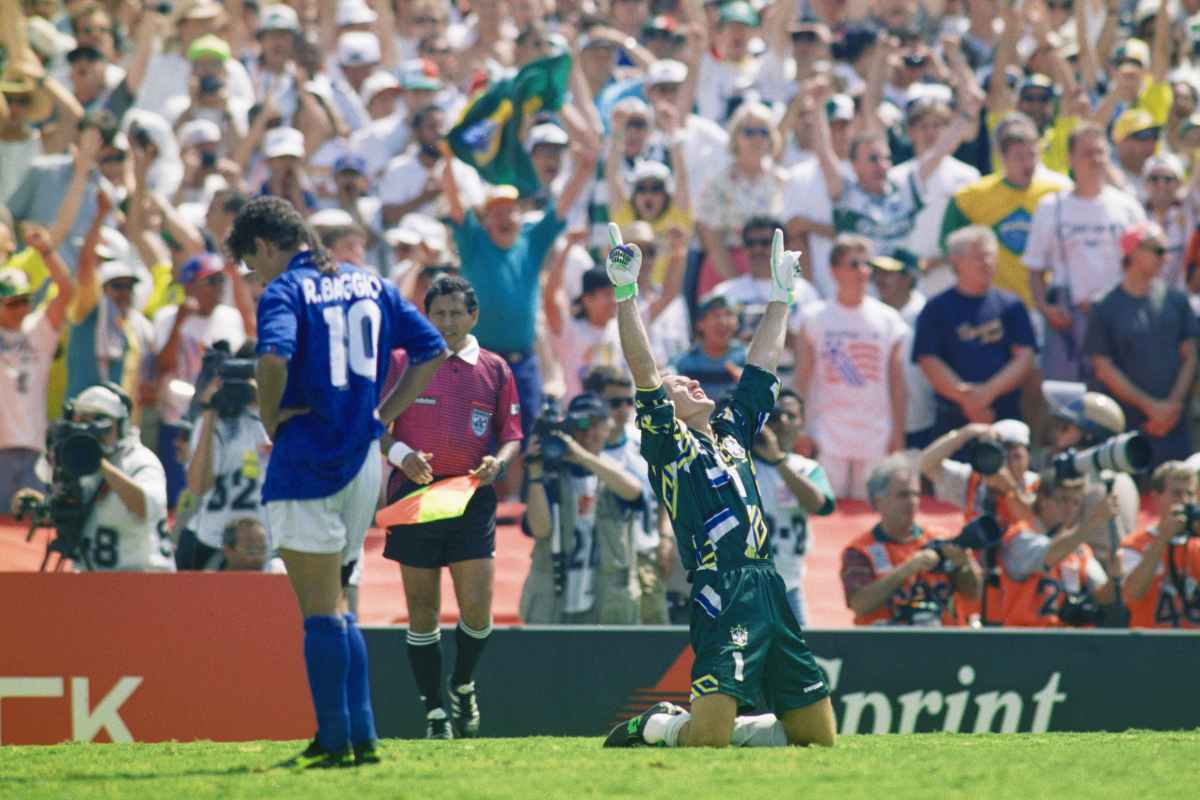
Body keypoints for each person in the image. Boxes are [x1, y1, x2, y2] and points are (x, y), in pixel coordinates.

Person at [227, 196, 449, 768]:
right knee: (340, 603)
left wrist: (271, 418)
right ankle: (361, 733)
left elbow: (272, 359)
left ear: (265, 245)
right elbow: (431, 349)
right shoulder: (369, 282)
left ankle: (334, 737)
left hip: (309, 459)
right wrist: (382, 415)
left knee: (320, 612)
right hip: (362, 462)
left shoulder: (285, 291)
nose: (256, 278)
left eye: (252, 264)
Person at [605, 225, 836, 749]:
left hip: (770, 584)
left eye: (688, 379)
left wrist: (781, 296)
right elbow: (643, 370)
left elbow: (760, 367)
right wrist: (626, 294)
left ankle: (736, 726)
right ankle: (658, 724)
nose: (691, 381)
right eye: (678, 384)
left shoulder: (732, 433)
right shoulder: (670, 445)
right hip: (721, 586)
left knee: (817, 737)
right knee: (706, 738)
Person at [382, 276, 522, 740]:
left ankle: (463, 683)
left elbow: (512, 436)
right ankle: (435, 713)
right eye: (438, 314)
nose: (447, 322)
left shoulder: (495, 368)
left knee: (477, 609)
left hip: (470, 495)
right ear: (426, 317)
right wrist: (402, 454)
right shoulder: (403, 361)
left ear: (473, 316)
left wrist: (497, 464)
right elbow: (372, 423)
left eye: (456, 313)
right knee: (422, 609)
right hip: (415, 495)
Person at [1023, 123, 1146, 383]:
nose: (1096, 159)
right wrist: (1045, 308)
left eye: (1101, 152)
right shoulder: (1051, 207)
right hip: (1067, 318)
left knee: (1116, 391)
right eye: (1088, 153)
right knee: (1065, 395)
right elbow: (1034, 269)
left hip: (1116, 316)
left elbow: (1145, 265)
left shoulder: (1127, 206)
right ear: (1071, 158)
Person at [794, 234, 908, 500]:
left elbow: (897, 384)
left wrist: (898, 435)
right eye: (854, 264)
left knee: (870, 509)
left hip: (875, 435)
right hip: (827, 434)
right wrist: (800, 431)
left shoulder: (889, 319)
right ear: (834, 270)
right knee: (824, 508)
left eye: (867, 264)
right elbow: (802, 379)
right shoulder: (813, 317)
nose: (863, 271)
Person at [16, 383, 174, 573]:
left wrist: (99, 464)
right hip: (92, 574)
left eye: (99, 421)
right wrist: (40, 505)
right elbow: (79, 511)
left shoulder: (140, 460)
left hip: (142, 575)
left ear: (121, 426)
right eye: (82, 420)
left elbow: (147, 508)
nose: (89, 429)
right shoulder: (76, 458)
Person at [520, 392, 645, 626]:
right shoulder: (549, 476)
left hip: (606, 602)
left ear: (608, 427)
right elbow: (539, 530)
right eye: (580, 425)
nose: (588, 433)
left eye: (596, 424)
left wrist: (582, 456)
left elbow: (634, 493)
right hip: (554, 602)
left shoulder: (614, 473)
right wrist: (535, 473)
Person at [1084, 221, 1199, 468]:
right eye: (1158, 251)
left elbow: (1190, 356)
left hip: (1174, 426)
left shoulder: (1177, 301)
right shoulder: (1104, 307)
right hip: (1125, 428)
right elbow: (1103, 367)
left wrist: (1171, 407)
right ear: (1133, 252)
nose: (1165, 258)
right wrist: (1151, 407)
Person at [913, 226, 1037, 438]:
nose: (987, 263)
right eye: (979, 257)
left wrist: (985, 395)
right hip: (952, 423)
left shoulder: (1012, 305)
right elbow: (929, 361)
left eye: (991, 256)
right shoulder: (936, 308)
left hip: (1004, 418)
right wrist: (967, 400)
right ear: (956, 261)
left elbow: (1025, 358)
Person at [840, 455, 982, 626]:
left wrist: (963, 565)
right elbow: (859, 604)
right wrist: (907, 569)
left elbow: (975, 594)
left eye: (916, 494)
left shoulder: (942, 539)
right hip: (887, 639)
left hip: (944, 637)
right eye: (903, 495)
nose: (912, 502)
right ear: (879, 501)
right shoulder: (860, 550)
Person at [0, 228, 73, 513]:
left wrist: (46, 252)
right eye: (12, 303)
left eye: (25, 300)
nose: (21, 308)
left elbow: (66, 291)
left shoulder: (37, 331)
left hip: (34, 449)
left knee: (31, 527)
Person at [178, 351, 271, 572]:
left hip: (260, 541)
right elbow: (198, 487)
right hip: (212, 537)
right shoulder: (210, 423)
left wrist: (266, 402)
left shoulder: (268, 423)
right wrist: (210, 412)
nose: (239, 392)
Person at [751, 389, 836, 626]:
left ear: (802, 422)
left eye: (791, 416)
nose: (783, 422)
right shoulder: (741, 464)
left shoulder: (807, 468)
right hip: (746, 586)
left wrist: (778, 460)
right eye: (775, 415)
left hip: (790, 585)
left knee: (800, 648)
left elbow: (818, 505)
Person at [998, 471, 1118, 628]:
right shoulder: (1020, 536)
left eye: (1076, 503)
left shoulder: (1080, 550)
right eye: (1063, 500)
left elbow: (1104, 596)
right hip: (1025, 637)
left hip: (1066, 638)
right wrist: (1095, 521)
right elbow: (1051, 554)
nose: (1070, 509)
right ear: (1043, 500)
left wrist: (1114, 578)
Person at [1119, 461, 1200, 629]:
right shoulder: (1134, 544)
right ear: (1156, 498)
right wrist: (1162, 539)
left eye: (1190, 494)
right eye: (1176, 494)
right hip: (1151, 641)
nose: (1184, 501)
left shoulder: (1196, 545)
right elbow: (1132, 595)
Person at [918, 420, 1037, 531]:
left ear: (1028, 456)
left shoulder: (1036, 484)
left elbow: (1032, 518)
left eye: (1016, 456)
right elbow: (925, 465)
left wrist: (1009, 488)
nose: (1008, 463)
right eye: (1001, 456)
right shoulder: (972, 480)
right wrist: (965, 433)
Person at [669, 294, 746, 402]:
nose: (723, 322)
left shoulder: (748, 359)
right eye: (716, 315)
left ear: (737, 323)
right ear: (700, 323)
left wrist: (750, 385)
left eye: (729, 314)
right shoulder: (683, 362)